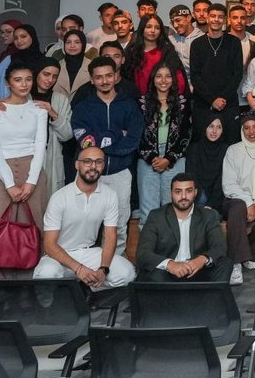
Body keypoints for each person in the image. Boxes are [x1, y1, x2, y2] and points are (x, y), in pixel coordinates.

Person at [68, 57, 142, 255]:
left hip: (119, 172)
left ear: (116, 76)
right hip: (88, 173)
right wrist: (117, 134)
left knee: (118, 225)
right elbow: (85, 142)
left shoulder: (130, 106)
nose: (104, 81)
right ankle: (82, 267)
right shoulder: (83, 107)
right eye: (98, 77)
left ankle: (114, 265)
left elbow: (133, 142)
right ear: (91, 80)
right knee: (82, 223)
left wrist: (98, 145)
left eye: (108, 75)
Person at [34, 146, 136, 289]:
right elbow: (49, 245)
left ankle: (88, 291)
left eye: (98, 162)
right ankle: (52, 307)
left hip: (88, 252)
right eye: (87, 161)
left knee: (127, 273)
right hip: (59, 255)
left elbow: (110, 237)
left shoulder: (110, 195)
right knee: (46, 274)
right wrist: (79, 269)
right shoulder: (60, 197)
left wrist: (103, 269)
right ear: (77, 164)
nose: (93, 166)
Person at [0, 61, 51, 277]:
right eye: (18, 80)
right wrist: (9, 184)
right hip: (1, 169)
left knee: (34, 223)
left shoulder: (38, 109)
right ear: (8, 83)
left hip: (32, 168)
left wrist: (31, 181)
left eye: (28, 79)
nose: (24, 84)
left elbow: (40, 145)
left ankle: (29, 279)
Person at [135, 173, 229, 283]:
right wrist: (169, 264)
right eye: (178, 192)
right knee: (151, 274)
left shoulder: (208, 215)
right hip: (168, 273)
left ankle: (208, 299)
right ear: (171, 194)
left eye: (188, 191)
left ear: (195, 192)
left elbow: (220, 247)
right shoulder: (156, 216)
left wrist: (202, 259)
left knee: (225, 263)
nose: (183, 196)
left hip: (197, 271)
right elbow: (143, 253)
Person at [220, 114, 255, 285]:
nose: (251, 131)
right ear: (241, 130)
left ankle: (253, 254)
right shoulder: (233, 150)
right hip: (236, 198)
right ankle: (235, 263)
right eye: (247, 127)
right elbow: (229, 184)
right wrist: (248, 202)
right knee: (237, 210)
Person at [137, 61, 191, 220]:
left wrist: (169, 158)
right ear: (153, 79)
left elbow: (186, 133)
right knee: (148, 209)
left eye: (168, 76)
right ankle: (148, 244)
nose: (163, 80)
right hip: (148, 158)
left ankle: (172, 244)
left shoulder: (182, 103)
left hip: (175, 157)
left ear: (173, 79)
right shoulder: (141, 103)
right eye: (159, 76)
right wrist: (153, 157)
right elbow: (137, 133)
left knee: (173, 207)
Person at [188, 4, 244, 141]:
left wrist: (222, 98)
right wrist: (212, 99)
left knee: (230, 143)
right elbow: (195, 76)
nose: (216, 19)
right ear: (207, 18)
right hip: (203, 103)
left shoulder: (234, 42)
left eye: (220, 17)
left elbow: (237, 74)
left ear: (225, 20)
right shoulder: (197, 44)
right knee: (201, 142)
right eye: (213, 16)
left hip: (228, 102)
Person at [31, 60, 74, 203]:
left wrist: (53, 113)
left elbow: (67, 135)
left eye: (55, 76)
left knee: (51, 205)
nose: (50, 80)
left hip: (51, 159)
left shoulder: (60, 99)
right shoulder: (22, 98)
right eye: (46, 74)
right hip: (26, 160)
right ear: (36, 73)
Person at [122, 14, 187, 97]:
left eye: (157, 28)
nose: (153, 31)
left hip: (164, 102)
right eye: (148, 27)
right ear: (142, 29)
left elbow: (179, 80)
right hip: (137, 102)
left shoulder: (168, 51)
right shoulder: (132, 52)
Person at [0, 24, 45, 100]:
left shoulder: (43, 60)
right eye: (15, 38)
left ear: (32, 36)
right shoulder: (9, 59)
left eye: (23, 36)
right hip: (8, 107)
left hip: (37, 106)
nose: (19, 41)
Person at [185, 115, 227, 209]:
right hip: (197, 194)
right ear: (205, 128)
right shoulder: (194, 148)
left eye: (219, 127)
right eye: (211, 126)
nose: (214, 131)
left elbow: (222, 179)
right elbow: (191, 176)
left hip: (218, 196)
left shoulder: (226, 150)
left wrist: (211, 203)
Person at [54, 30, 94, 98]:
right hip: (58, 107)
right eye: (68, 42)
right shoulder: (56, 66)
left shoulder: (92, 65)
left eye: (77, 42)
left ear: (83, 44)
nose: (72, 46)